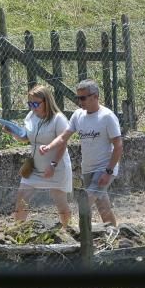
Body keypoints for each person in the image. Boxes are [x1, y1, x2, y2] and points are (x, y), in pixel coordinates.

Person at [43, 79, 123, 227]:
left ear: (95, 96)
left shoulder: (107, 117)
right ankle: (114, 234)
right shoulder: (78, 115)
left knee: (85, 204)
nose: (80, 102)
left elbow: (118, 146)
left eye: (83, 98)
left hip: (104, 168)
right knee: (103, 207)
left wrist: (108, 171)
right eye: (78, 98)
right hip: (88, 168)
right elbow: (64, 137)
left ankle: (83, 240)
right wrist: (49, 147)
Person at [4, 85, 72, 225]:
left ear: (47, 101)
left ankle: (69, 230)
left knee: (60, 202)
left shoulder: (58, 119)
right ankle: (17, 231)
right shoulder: (31, 116)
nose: (33, 107)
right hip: (35, 167)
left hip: (56, 167)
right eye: (30, 103)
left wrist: (52, 165)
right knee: (22, 196)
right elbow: (26, 138)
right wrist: (11, 132)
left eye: (36, 103)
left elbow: (63, 143)